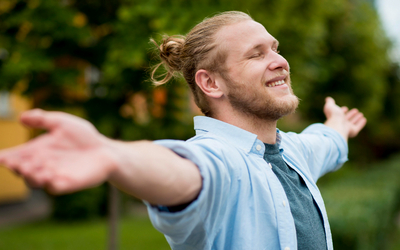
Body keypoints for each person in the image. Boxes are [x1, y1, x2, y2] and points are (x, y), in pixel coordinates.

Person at [0, 11, 366, 250]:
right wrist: (113, 155)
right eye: (256, 54)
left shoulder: (293, 154)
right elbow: (184, 171)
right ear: (211, 83)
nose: (280, 61)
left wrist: (338, 125)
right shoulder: (222, 161)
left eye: (275, 48)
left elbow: (325, 143)